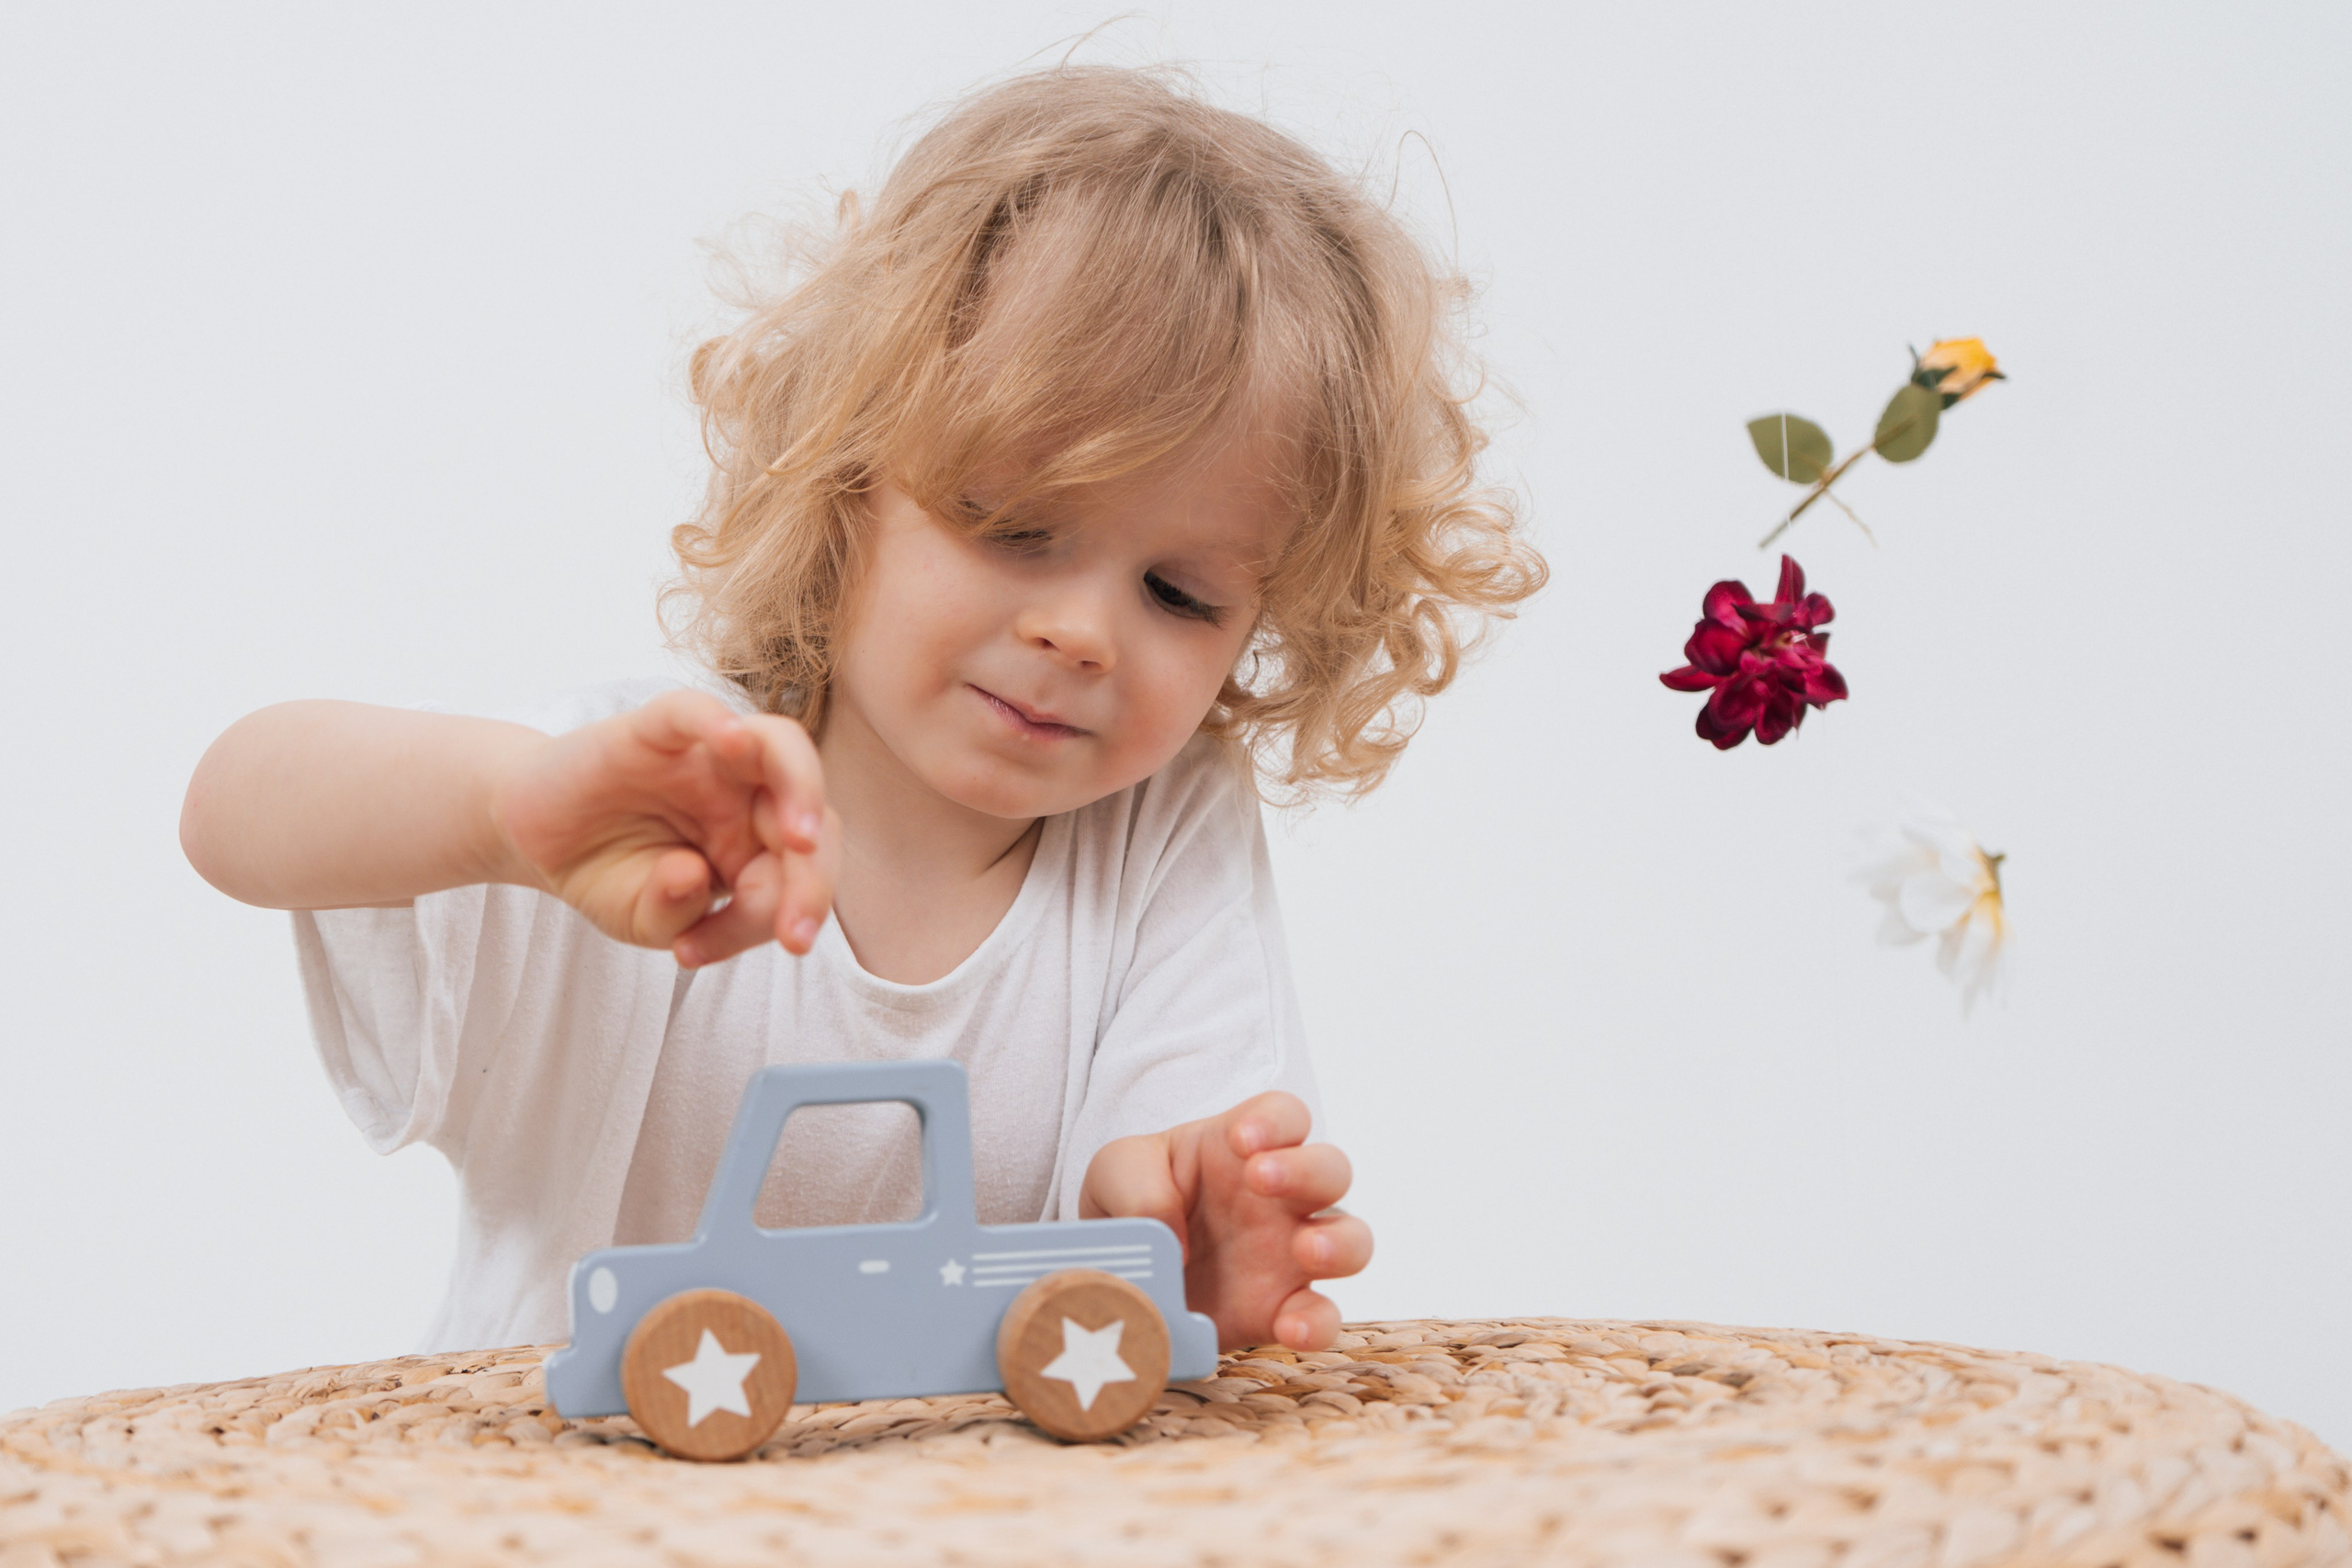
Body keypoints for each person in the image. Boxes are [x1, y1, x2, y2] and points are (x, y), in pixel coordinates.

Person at [179, 64, 1545, 1359]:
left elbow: (1155, 1167)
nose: (1082, 631)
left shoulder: (1161, 828)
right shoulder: (652, 797)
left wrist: (1185, 1223)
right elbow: (234, 806)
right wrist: (503, 808)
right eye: (1013, 525)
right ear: (843, 482)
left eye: (1182, 595)